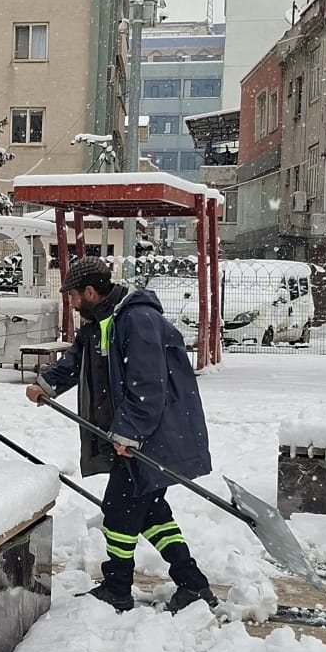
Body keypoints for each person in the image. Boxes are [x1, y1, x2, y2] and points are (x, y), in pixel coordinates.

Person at [27, 257, 216, 614]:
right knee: (151, 513)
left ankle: (118, 588)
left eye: (72, 296)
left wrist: (130, 433)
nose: (70, 303)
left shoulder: (137, 320)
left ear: (90, 291)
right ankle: (193, 584)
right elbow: (78, 360)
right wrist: (47, 383)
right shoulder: (99, 322)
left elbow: (148, 385)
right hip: (130, 437)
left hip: (151, 436)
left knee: (118, 511)